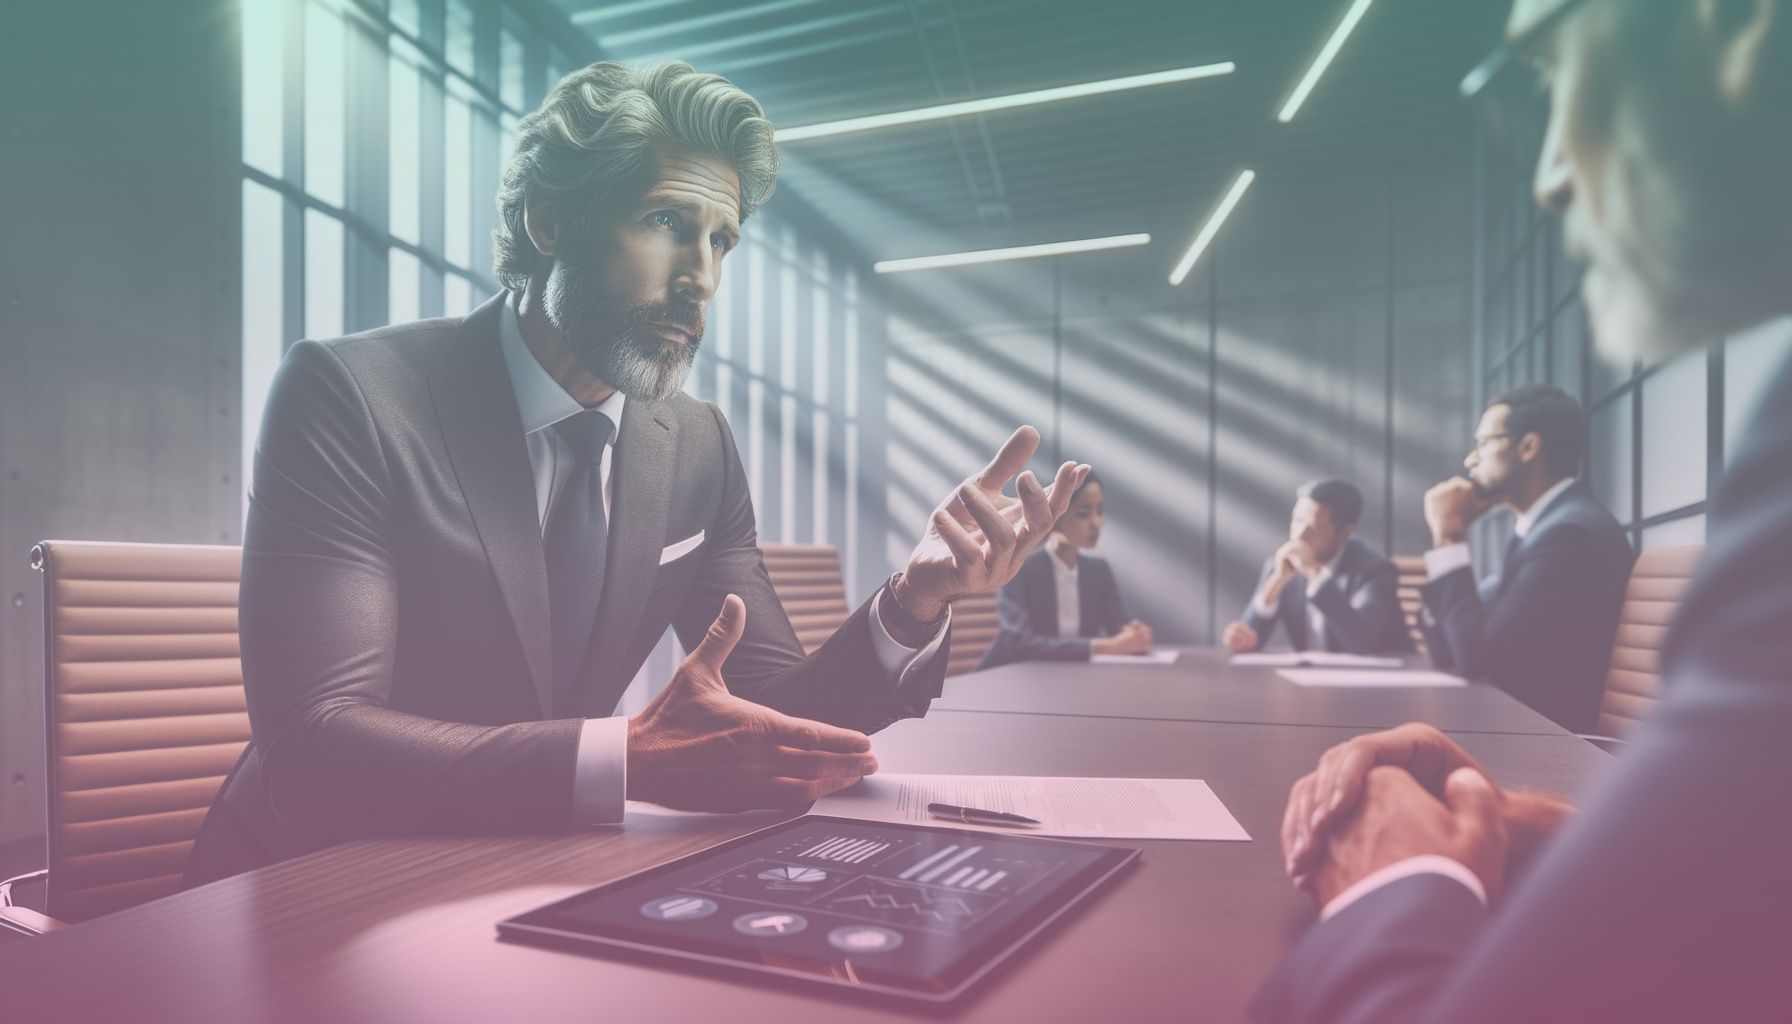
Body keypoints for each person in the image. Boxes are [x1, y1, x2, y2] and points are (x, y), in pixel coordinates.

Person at [184, 61, 1090, 884]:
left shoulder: (695, 445)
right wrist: (624, 760)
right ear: (549, 219)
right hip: (311, 880)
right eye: (666, 222)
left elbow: (777, 712)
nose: (701, 278)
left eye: (723, 241)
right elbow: (312, 750)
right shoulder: (350, 395)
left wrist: (911, 602)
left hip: (526, 871)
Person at [1255, 0, 1792, 1019]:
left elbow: (1480, 667)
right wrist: (1551, 829)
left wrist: (1401, 885)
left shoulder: (1578, 534)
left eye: (1549, 77)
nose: (1547, 174)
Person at [1418, 384, 1632, 729]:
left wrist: (1448, 535)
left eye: (1483, 444)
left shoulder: (1568, 536)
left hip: (1546, 740)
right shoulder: (1542, 528)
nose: (1470, 460)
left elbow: (1479, 662)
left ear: (1529, 446)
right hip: (1518, 722)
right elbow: (1449, 649)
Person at [977, 472, 1153, 668]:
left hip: (1069, 679)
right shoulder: (1020, 568)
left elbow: (1120, 631)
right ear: (1056, 516)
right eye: (1084, 513)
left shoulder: (1099, 571)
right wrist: (1104, 646)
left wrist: (1136, 635)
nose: (1097, 523)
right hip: (1008, 678)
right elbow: (1019, 643)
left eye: (1100, 511)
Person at [1222, 479, 1407, 656]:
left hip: (1377, 682)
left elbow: (1361, 642)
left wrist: (1315, 573)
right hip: (1310, 682)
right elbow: (1250, 641)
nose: (1300, 534)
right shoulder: (1282, 564)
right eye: (1298, 520)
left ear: (1345, 532)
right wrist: (1276, 581)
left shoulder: (1374, 570)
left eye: (1314, 527)